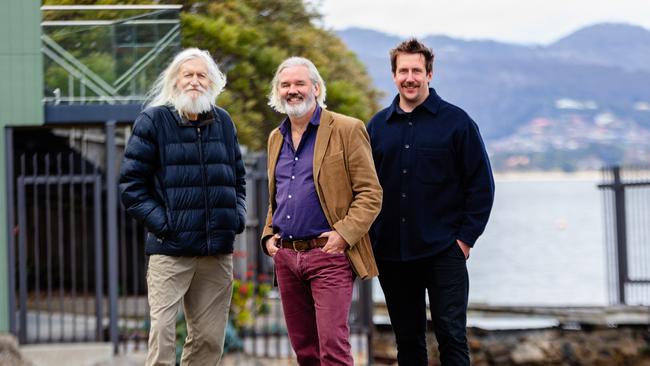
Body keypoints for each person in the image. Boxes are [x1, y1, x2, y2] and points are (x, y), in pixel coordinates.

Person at [366, 38, 495, 365]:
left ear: (430, 74)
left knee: (451, 336)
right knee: (408, 342)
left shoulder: (457, 122)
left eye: (417, 71)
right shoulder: (377, 127)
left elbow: (481, 186)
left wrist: (465, 241)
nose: (410, 77)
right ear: (394, 76)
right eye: (403, 71)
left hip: (444, 252)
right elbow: (365, 188)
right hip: (393, 255)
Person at [119, 48, 246, 366]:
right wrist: (166, 225)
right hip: (169, 251)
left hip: (215, 253)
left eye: (201, 75)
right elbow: (131, 188)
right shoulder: (153, 120)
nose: (194, 80)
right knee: (161, 335)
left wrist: (235, 218)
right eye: (187, 74)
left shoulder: (224, 123)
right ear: (175, 80)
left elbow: (239, 180)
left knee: (209, 340)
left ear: (212, 82)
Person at [261, 56, 382, 365]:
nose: (292, 90)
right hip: (287, 258)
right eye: (285, 84)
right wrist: (267, 235)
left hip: (328, 257)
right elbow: (278, 195)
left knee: (333, 349)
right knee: (305, 352)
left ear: (315, 87)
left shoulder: (346, 129)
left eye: (299, 83)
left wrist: (343, 235)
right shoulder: (276, 138)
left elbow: (370, 194)